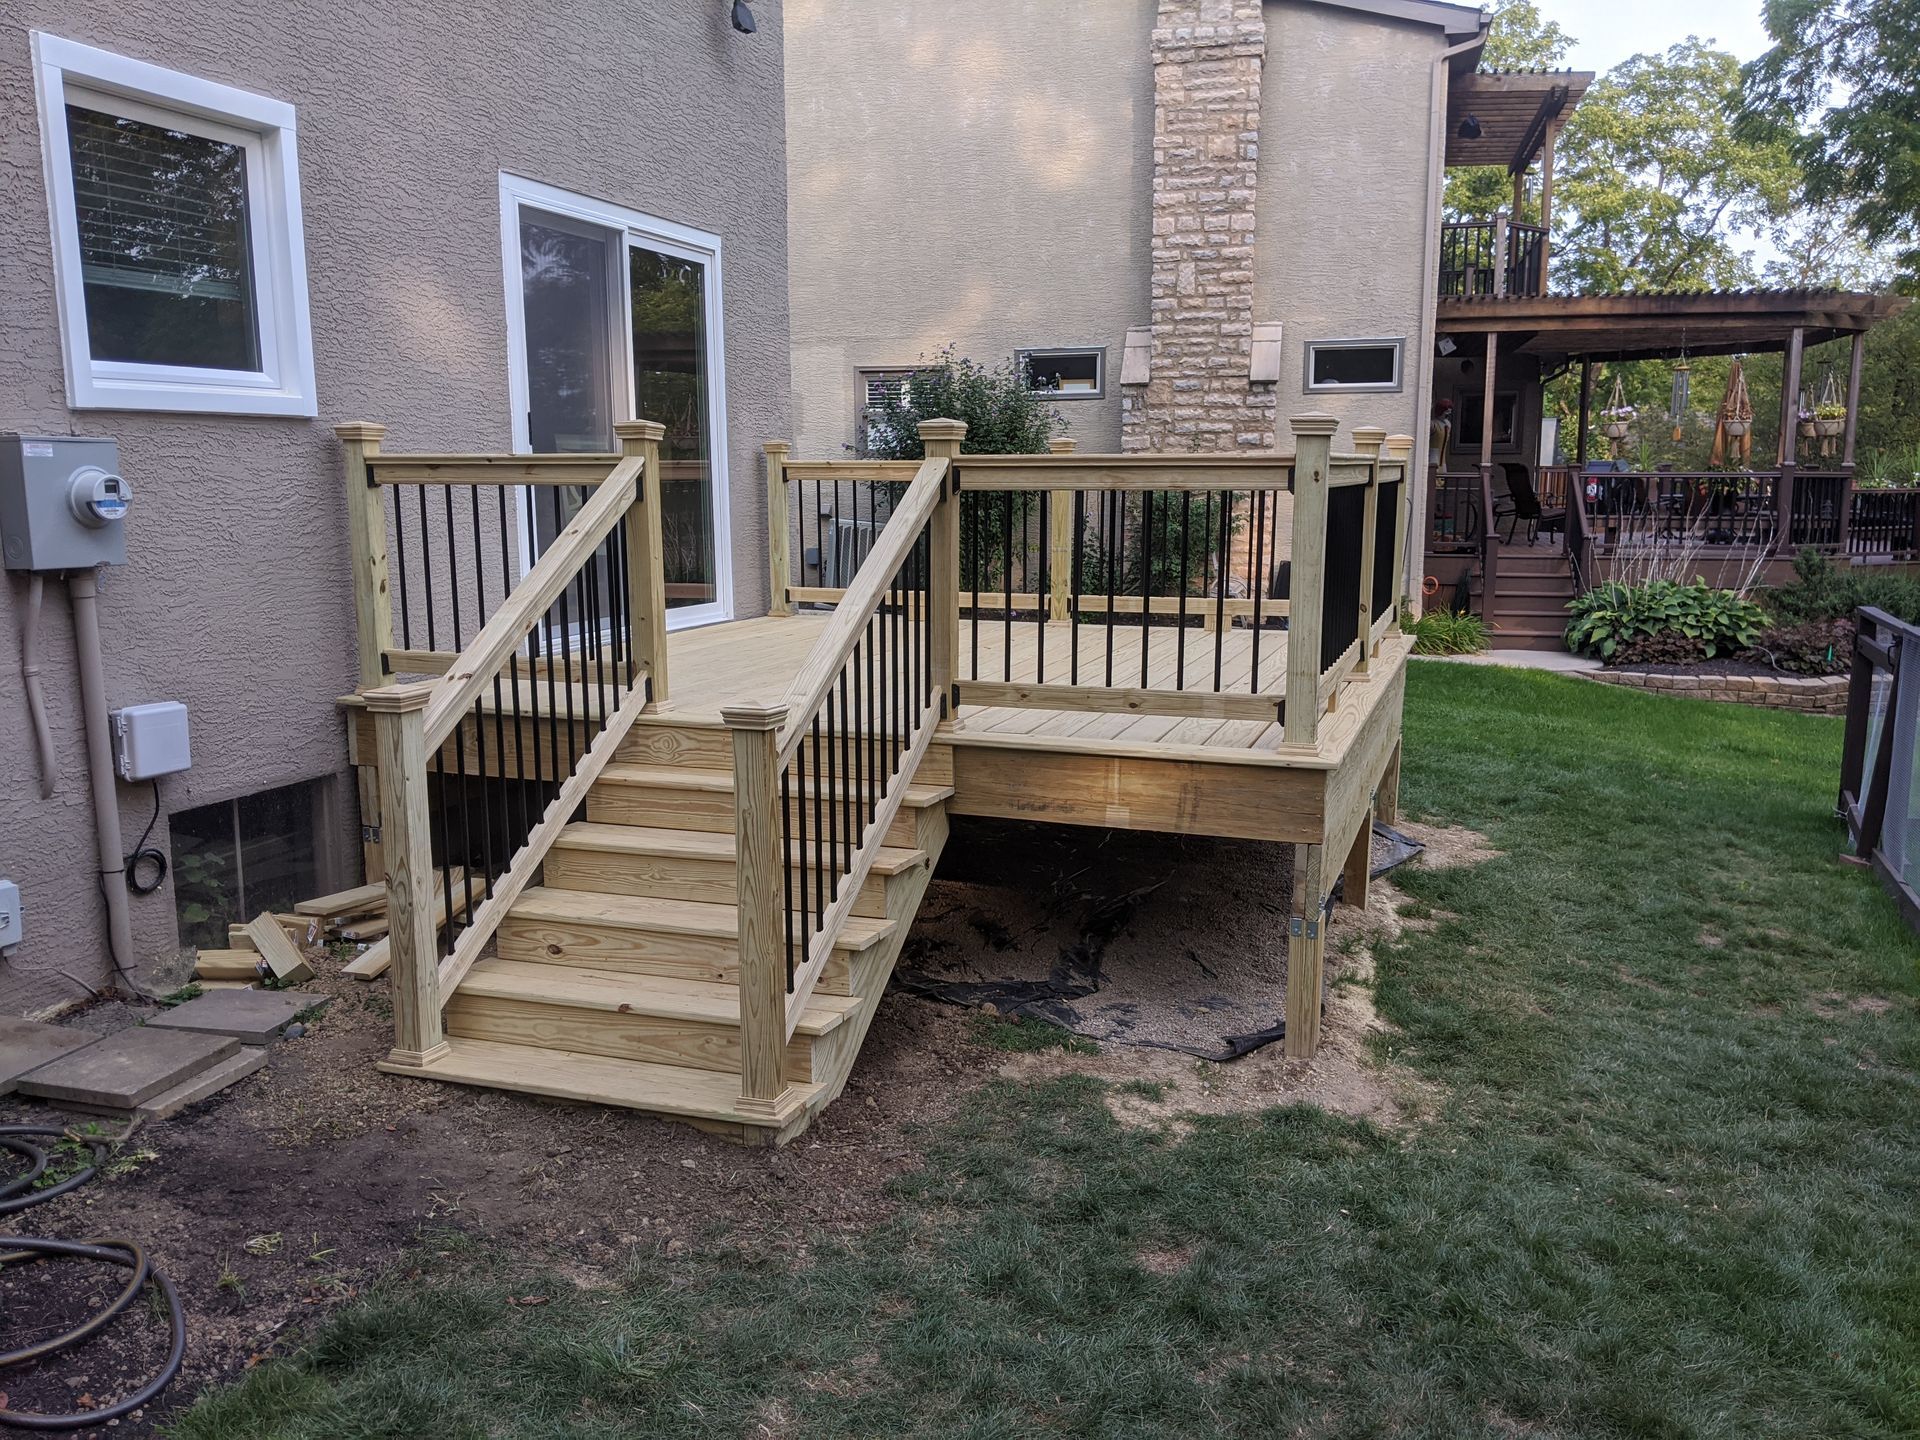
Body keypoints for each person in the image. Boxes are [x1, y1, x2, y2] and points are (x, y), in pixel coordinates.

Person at [1429, 398, 1453, 472]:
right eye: (1446, 412)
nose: (1447, 415)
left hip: (1442, 460)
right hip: (1433, 457)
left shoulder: (1448, 424)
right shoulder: (1433, 424)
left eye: (1449, 413)